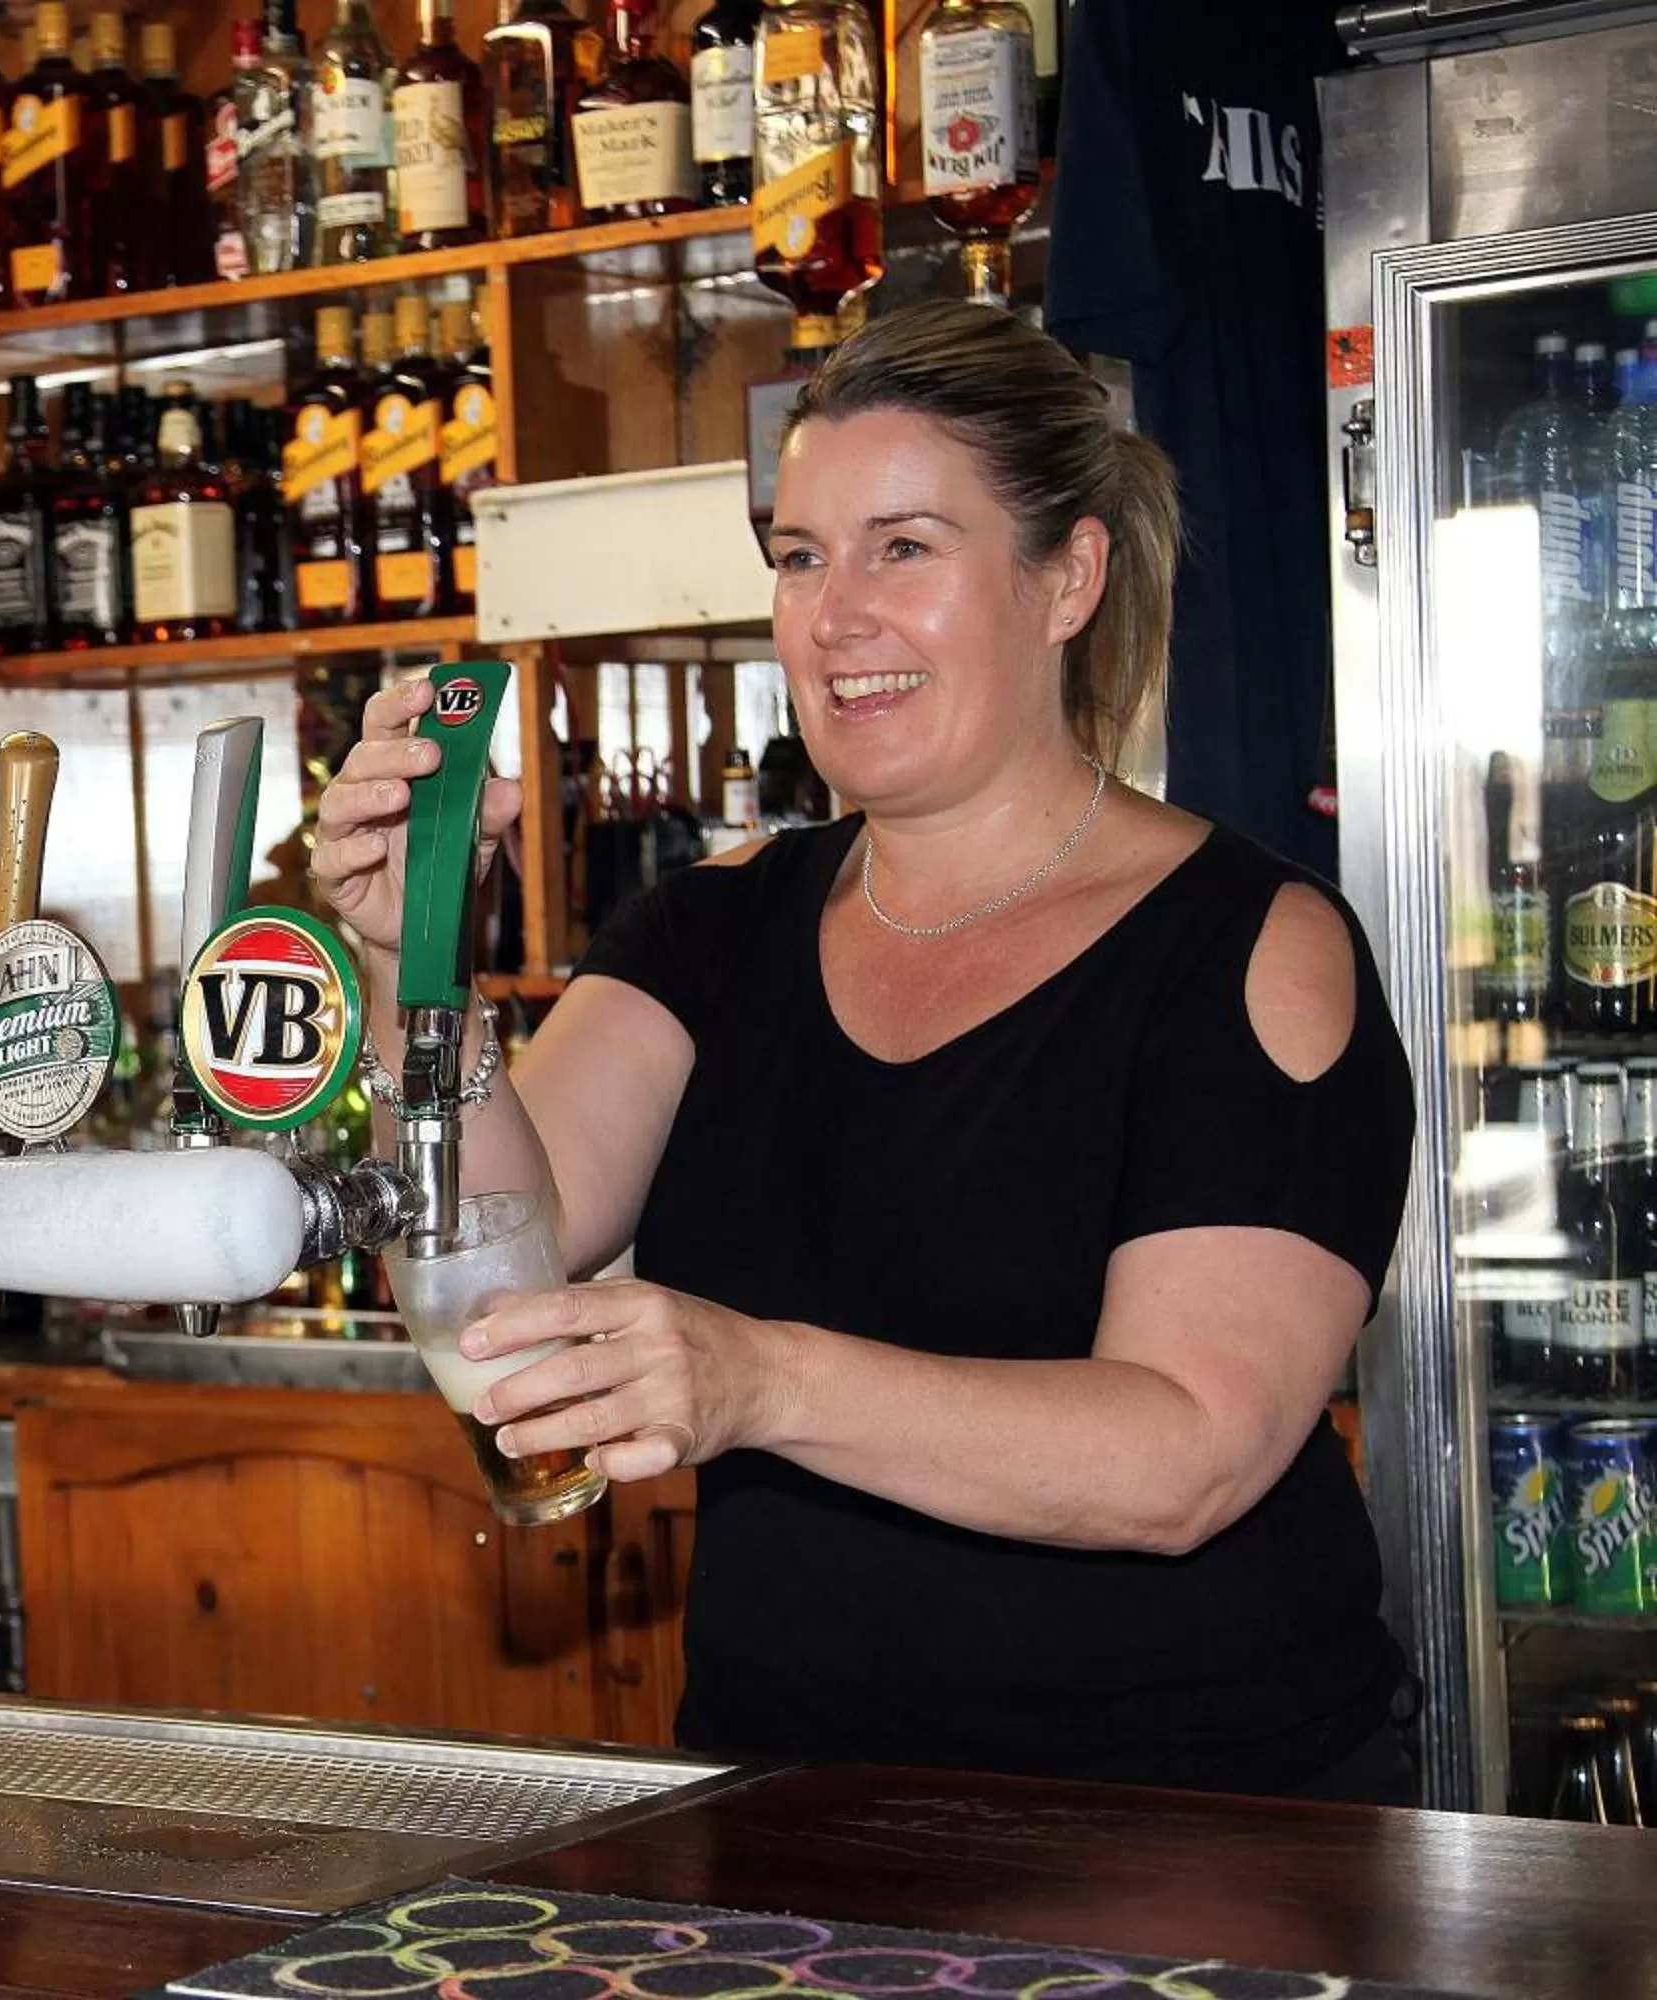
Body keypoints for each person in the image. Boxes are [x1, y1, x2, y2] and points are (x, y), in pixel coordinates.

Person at [314, 300, 1416, 1803]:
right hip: (787, 1815)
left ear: (1068, 576)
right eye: (800, 557)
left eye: (906, 548)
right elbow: (503, 1262)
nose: (836, 618)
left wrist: (757, 1378)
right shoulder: (713, 930)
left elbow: (1190, 1454)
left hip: (1193, 1827)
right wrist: (404, 963)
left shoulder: (1247, 946)